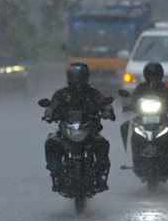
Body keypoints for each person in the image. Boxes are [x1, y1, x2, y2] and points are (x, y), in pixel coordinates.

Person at [42, 62, 115, 191]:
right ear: (69, 77)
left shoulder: (93, 93)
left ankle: (99, 174)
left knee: (102, 143)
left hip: (89, 130)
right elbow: (52, 106)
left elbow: (104, 104)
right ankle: (56, 172)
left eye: (80, 78)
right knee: (51, 143)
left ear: (86, 78)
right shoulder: (61, 94)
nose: (77, 81)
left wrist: (106, 111)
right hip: (67, 130)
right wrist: (49, 113)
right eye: (74, 77)